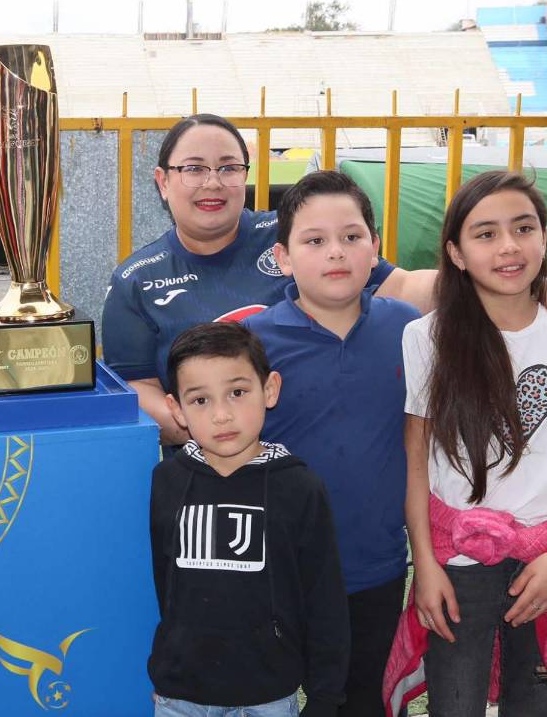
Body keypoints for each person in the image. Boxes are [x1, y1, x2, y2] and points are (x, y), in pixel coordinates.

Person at [101, 114, 547, 452]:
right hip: (224, 474)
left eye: (229, 168)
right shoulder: (135, 281)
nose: (213, 182)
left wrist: (514, 286)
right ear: (162, 181)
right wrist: (206, 424)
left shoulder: (294, 229)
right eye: (194, 169)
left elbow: (403, 287)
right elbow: (135, 388)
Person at [384, 171, 547, 717]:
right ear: (457, 253)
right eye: (486, 234)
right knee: (455, 704)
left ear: (544, 238)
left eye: (524, 228)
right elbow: (416, 462)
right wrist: (426, 565)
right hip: (458, 561)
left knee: (536, 704)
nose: (509, 246)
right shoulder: (426, 337)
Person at [244, 171, 421, 716]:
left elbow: (472, 386)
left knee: (364, 700)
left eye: (351, 236)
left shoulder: (408, 328)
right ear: (283, 257)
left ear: (375, 247)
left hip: (376, 566)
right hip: (277, 571)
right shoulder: (254, 344)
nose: (336, 252)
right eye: (314, 240)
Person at [148, 321, 350, 717]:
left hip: (267, 697)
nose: (222, 415)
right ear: (176, 409)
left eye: (237, 393)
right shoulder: (165, 482)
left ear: (269, 389)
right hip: (180, 696)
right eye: (200, 400)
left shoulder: (299, 488)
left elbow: (324, 598)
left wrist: (325, 697)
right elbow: (162, 584)